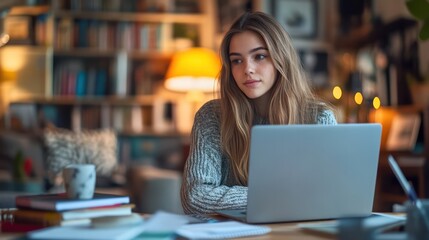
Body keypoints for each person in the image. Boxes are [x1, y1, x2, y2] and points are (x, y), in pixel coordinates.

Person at [180, 11, 337, 215]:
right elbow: (195, 198)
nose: (248, 69)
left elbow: (328, 196)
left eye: (259, 56)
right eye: (237, 60)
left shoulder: (319, 119)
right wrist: (281, 196)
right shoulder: (212, 116)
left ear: (281, 58)